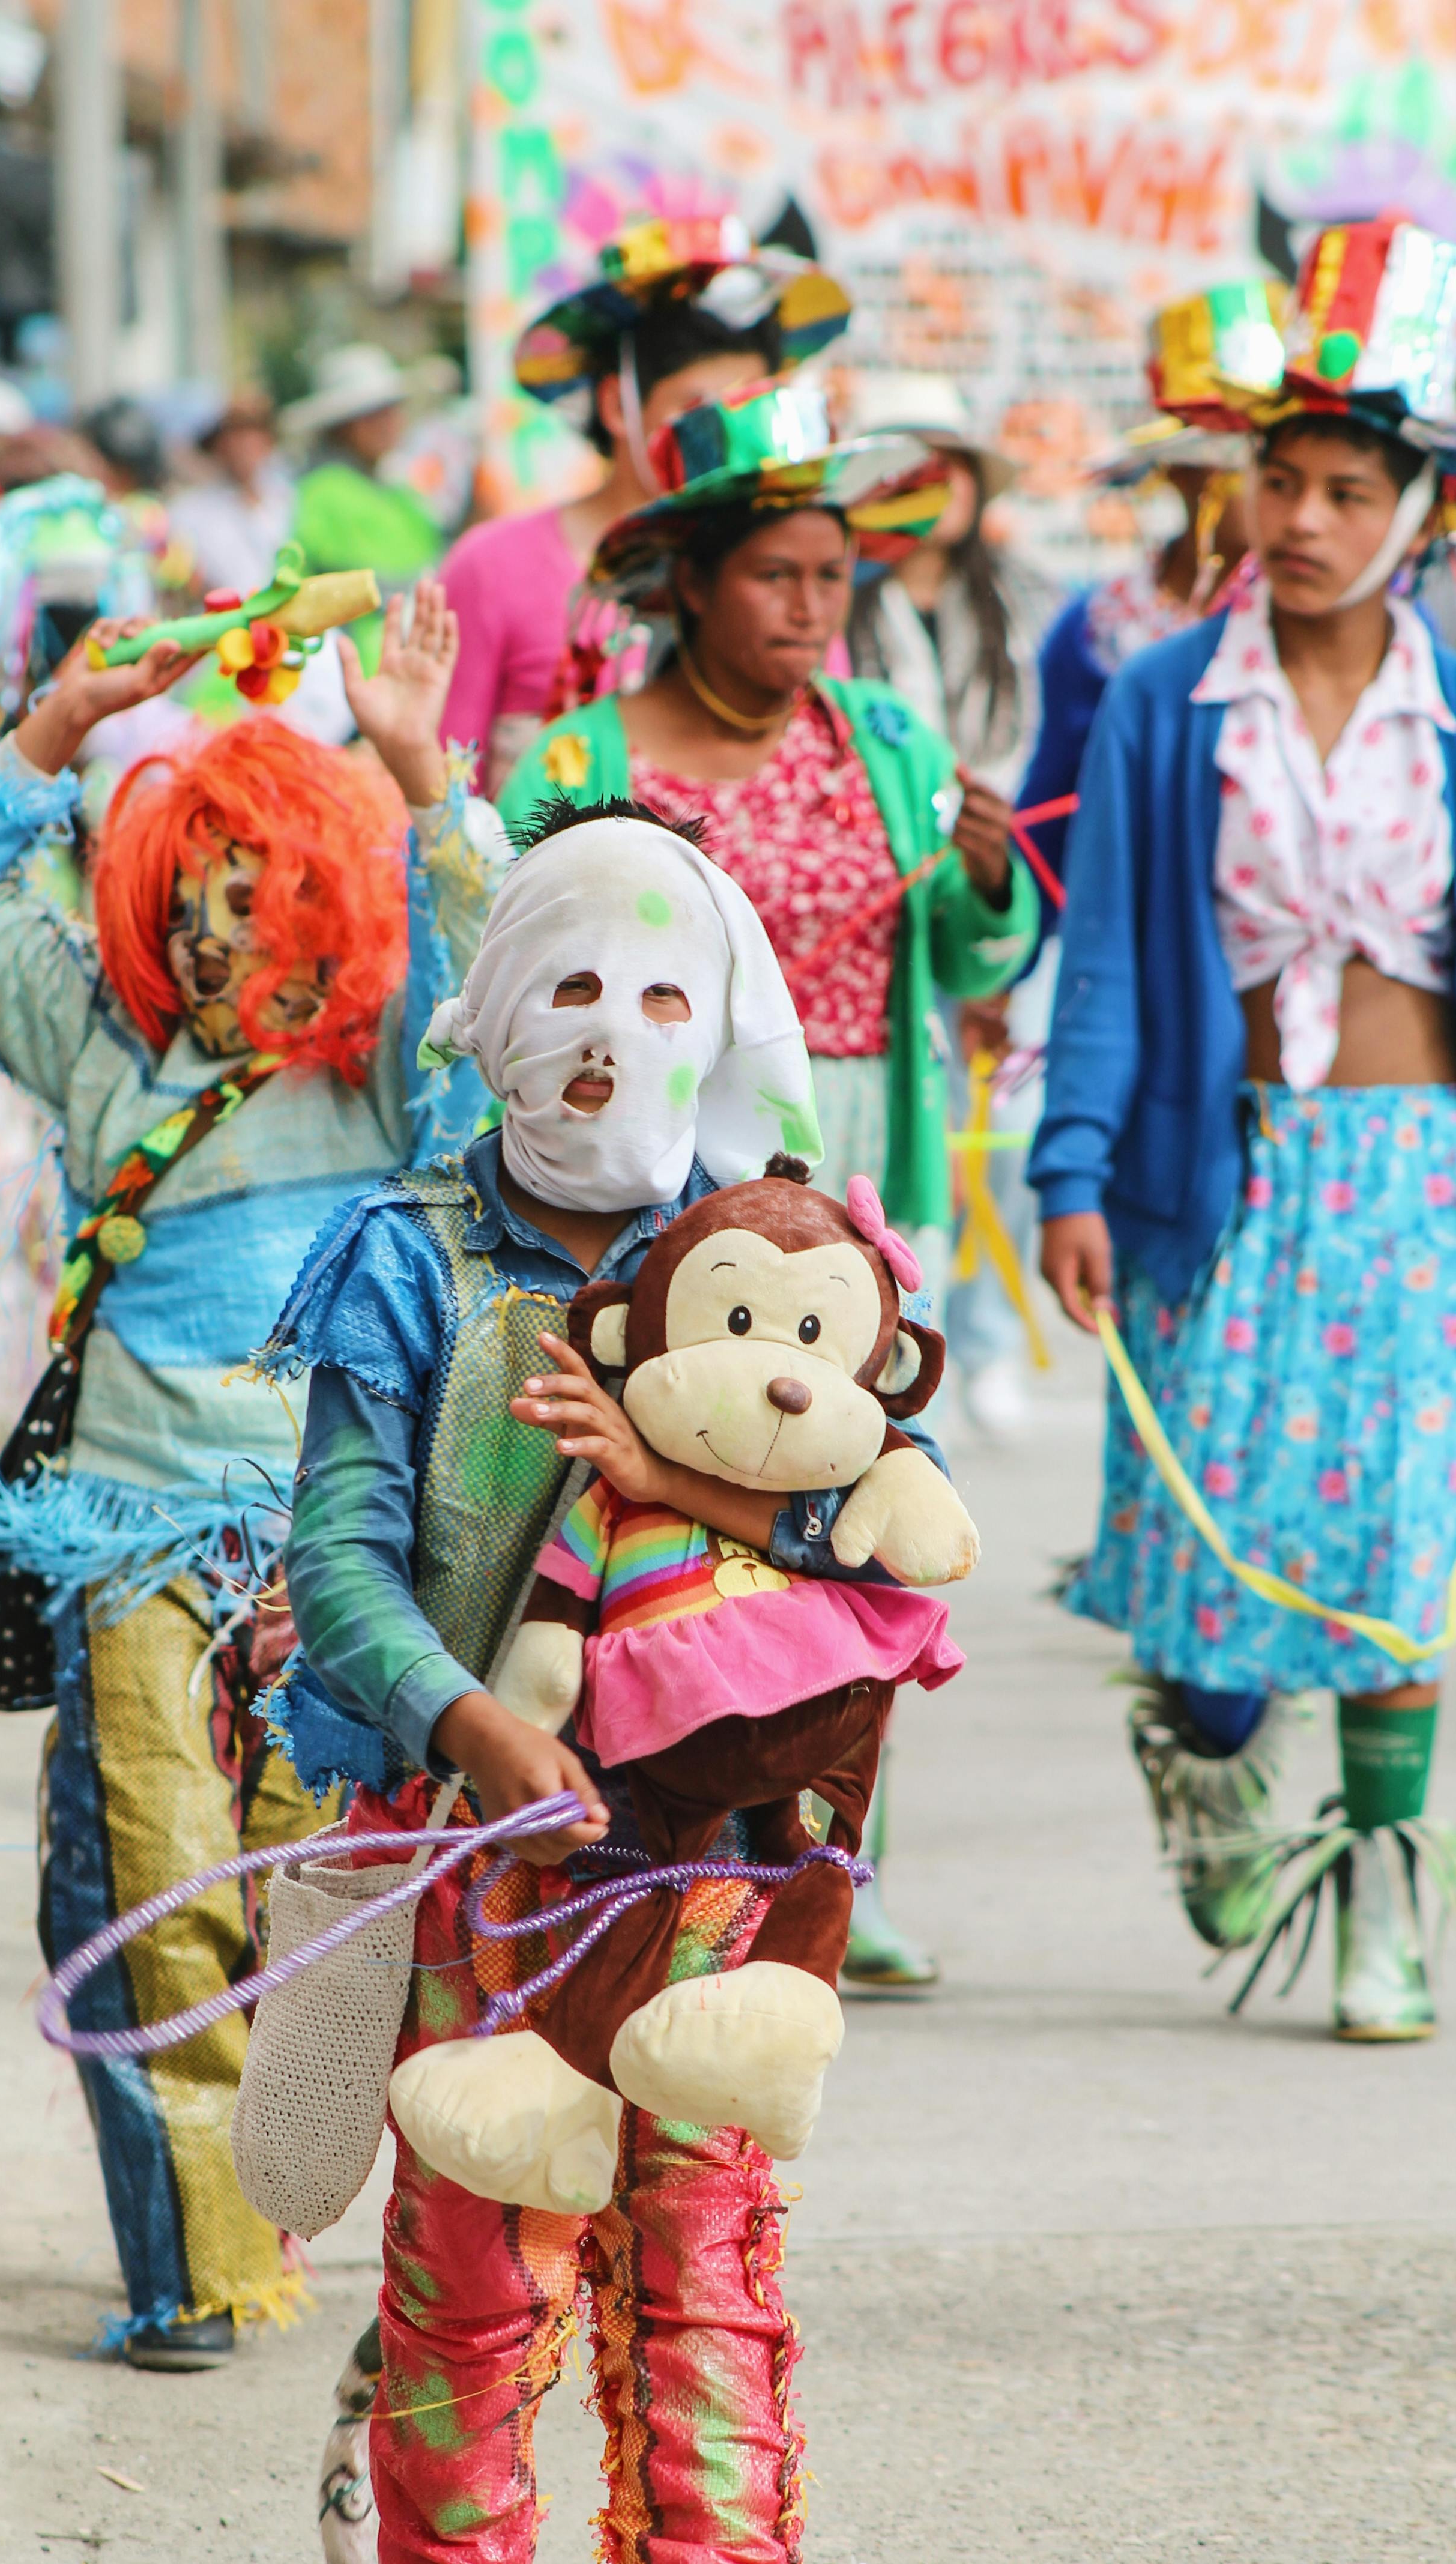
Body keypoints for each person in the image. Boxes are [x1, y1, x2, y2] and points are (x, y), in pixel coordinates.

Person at [265, 796, 929, 2560]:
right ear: (494, 1009)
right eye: (566, 986)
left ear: (715, 1023)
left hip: (713, 1870)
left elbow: (880, 1527)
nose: (608, 1036)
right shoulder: (406, 1255)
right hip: (470, 1863)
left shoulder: (769, 1258)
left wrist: (671, 1482)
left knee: (702, 2286)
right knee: (468, 2295)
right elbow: (338, 1559)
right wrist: (473, 1724)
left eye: (659, 998)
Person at [0, 556, 501, 2365]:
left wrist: (420, 773)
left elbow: (490, 999)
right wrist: (64, 720)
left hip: (332, 1548)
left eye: (266, 903)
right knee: (144, 1887)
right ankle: (195, 2265)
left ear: (328, 905)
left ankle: (298, 2203)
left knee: (322, 1906)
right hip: (132, 1537)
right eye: (197, 908)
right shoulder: (105, 1051)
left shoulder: (385, 1072)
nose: (228, 946)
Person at [493, 374, 1040, 1991]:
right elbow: (521, 959)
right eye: (773, 575)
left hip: (859, 1184)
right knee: (653, 1508)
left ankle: (829, 1857)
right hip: (669, 1196)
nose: (810, 607)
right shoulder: (582, 754)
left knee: (849, 1511)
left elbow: (966, 955)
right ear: (686, 583)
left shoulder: (885, 739)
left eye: (831, 576)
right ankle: (638, 1839)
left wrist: (989, 885)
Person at [1031, 216, 1456, 2041]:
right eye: (1277, 480)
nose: (1297, 518)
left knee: (1396, 1550)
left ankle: (1379, 1902)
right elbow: (1109, 958)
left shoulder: (1447, 704)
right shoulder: (1159, 702)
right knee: (1206, 1563)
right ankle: (1204, 1765)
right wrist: (1070, 1169)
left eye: (1344, 489)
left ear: (1417, 508)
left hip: (1418, 1179)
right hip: (1221, 1174)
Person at [441, 216, 853, 792]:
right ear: (617, 406)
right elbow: (442, 787)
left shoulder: (785, 575)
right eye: (699, 411)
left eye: (748, 407)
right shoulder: (492, 568)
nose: (730, 438)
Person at [842, 370, 1062, 1441]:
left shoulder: (1025, 602)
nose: (933, 487)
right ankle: (893, 1337)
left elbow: (1047, 768)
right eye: (908, 466)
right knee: (899, 1135)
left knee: (1009, 1127)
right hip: (883, 920)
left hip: (1010, 905)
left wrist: (1002, 922)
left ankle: (983, 1342)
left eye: (949, 464)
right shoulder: (835, 605)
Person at [1016, 281, 1277, 893]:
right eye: (1236, 467)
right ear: (1180, 473)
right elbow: (1051, 805)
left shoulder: (1332, 621)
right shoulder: (1098, 627)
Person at [289, 345, 442, 671]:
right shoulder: (324, 490)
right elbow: (360, 585)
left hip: (405, 654)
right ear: (343, 426)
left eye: (391, 410)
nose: (389, 423)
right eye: (373, 414)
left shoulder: (399, 491)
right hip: (355, 665)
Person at [168, 390, 295, 600]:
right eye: (234, 435)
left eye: (253, 433)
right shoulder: (189, 513)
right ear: (218, 445)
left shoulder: (290, 500)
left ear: (268, 441)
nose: (243, 445)